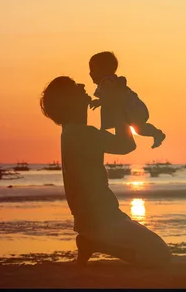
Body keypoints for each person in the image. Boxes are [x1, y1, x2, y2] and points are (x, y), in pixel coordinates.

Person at [40, 76, 171, 267]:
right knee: (160, 256)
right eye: (76, 87)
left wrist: (112, 105)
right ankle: (94, 243)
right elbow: (126, 144)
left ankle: (90, 241)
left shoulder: (72, 132)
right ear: (70, 102)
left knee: (156, 251)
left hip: (96, 218)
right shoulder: (83, 134)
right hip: (100, 220)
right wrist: (117, 105)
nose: (83, 85)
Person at [89, 51, 166, 148]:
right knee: (138, 128)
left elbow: (113, 97)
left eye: (92, 69)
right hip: (133, 109)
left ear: (103, 70)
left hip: (132, 109)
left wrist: (99, 101)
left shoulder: (107, 82)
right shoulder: (110, 81)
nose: (90, 73)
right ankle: (157, 133)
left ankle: (156, 133)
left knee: (137, 128)